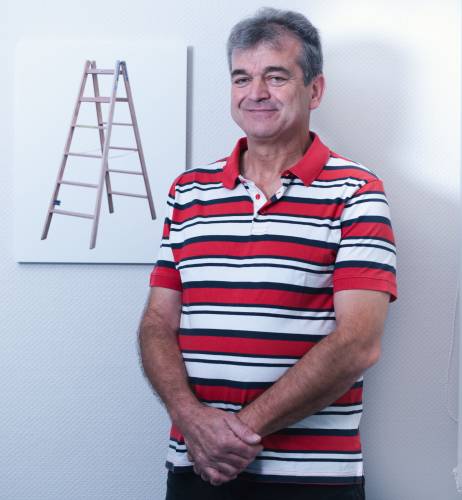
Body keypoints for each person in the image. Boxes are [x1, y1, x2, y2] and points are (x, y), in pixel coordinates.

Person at [138, 7, 397, 500]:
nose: (255, 92)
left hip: (311, 480)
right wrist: (191, 420)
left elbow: (358, 343)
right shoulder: (188, 192)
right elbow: (156, 322)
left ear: (314, 91)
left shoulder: (357, 192)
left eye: (275, 77)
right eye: (242, 78)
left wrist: (236, 434)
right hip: (196, 466)